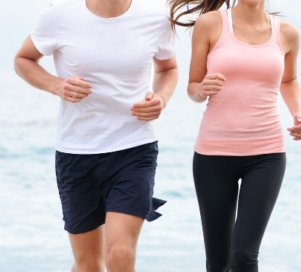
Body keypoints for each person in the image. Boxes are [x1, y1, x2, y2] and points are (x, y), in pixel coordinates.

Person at [14, 0, 179, 271]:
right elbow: (22, 60)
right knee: (89, 265)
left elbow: (168, 69)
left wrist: (161, 98)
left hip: (134, 147)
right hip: (76, 153)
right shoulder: (60, 15)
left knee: (120, 254)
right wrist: (56, 85)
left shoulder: (156, 18)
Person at [169, 0, 301, 271]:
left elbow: (289, 80)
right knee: (219, 261)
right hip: (213, 155)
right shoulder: (210, 24)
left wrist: (298, 113)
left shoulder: (288, 33)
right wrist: (203, 89)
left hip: (266, 155)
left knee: (245, 254)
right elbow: (193, 87)